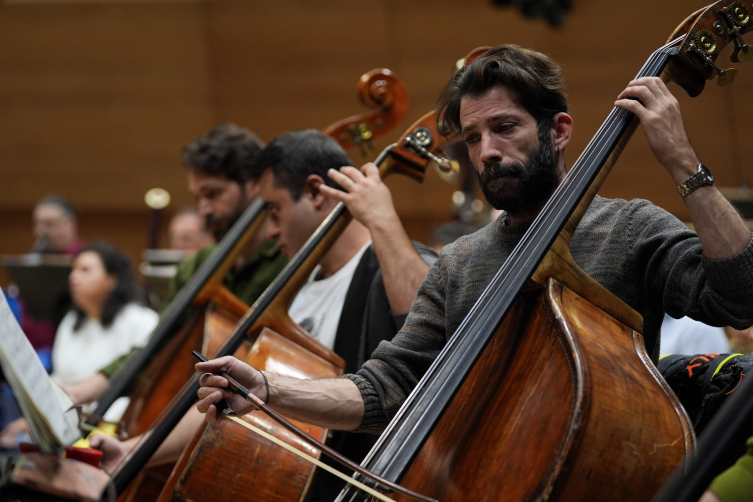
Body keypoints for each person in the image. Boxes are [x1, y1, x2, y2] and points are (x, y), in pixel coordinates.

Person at [195, 45, 753, 453]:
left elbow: (740, 297)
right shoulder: (460, 263)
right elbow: (386, 387)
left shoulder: (629, 228)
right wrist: (271, 390)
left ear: (559, 130)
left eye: (505, 128)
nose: (486, 151)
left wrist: (683, 162)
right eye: (472, 137)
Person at [91, 129, 436, 500]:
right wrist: (135, 451)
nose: (269, 230)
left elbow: (431, 334)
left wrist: (382, 221)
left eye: (273, 210)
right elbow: (235, 395)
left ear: (316, 192)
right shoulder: (295, 292)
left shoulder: (390, 265)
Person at [59, 123, 289, 408]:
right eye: (198, 198)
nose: (204, 209)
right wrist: (83, 390)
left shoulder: (290, 261)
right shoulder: (194, 269)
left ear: (254, 186)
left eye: (213, 194)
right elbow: (158, 347)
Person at [0, 243, 158, 448]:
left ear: (112, 280)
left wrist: (82, 421)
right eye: (73, 270)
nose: (73, 277)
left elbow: (139, 393)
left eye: (85, 270)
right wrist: (38, 422)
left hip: (116, 432)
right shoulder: (71, 321)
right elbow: (59, 379)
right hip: (70, 425)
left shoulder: (141, 320)